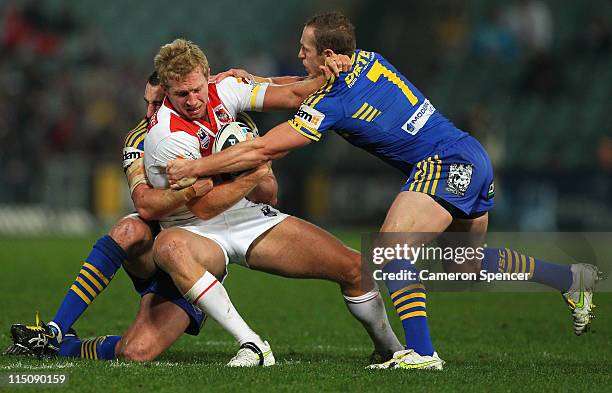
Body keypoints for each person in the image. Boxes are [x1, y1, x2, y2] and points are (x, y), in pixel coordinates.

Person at [165, 12, 602, 370]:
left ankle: (422, 355)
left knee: (390, 251)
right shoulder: (370, 58)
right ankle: (570, 278)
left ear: (329, 55)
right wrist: (257, 77)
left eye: (305, 48)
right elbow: (305, 85)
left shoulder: (332, 103)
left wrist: (196, 165)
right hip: (470, 154)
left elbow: (262, 146)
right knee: (460, 265)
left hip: (442, 164)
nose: (298, 53)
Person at [143, 38, 403, 367]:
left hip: (245, 215)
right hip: (196, 229)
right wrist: (253, 174)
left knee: (355, 268)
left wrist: (334, 75)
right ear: (166, 89)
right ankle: (251, 344)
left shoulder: (224, 88)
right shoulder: (165, 137)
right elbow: (204, 208)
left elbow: (293, 94)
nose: (193, 100)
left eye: (197, 89)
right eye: (182, 94)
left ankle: (392, 349)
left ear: (207, 75)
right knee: (168, 248)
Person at [6, 72, 276, 365]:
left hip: (199, 250)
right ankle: (55, 330)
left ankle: (65, 348)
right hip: (157, 241)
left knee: (135, 352)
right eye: (147, 103)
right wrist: (190, 191)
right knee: (127, 229)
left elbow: (269, 192)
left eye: (158, 103)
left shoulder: (227, 123)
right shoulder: (139, 138)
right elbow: (144, 205)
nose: (149, 113)